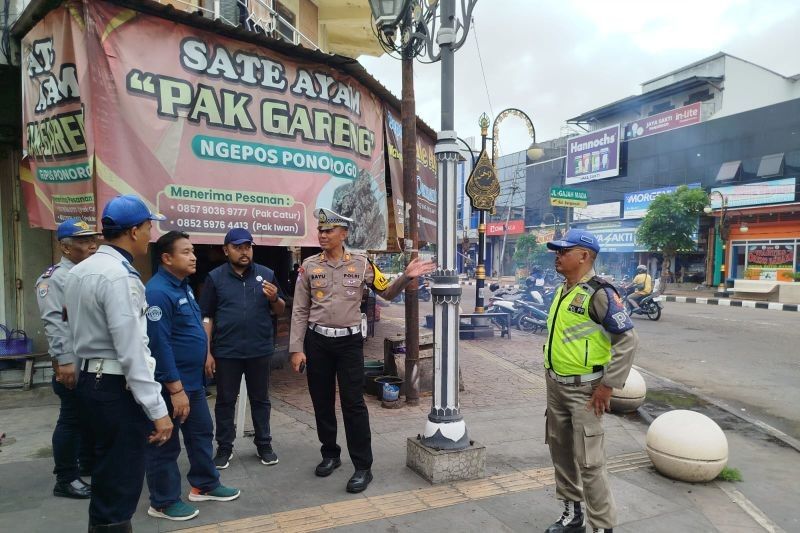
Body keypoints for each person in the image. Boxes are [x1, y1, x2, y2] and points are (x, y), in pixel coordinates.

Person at [289, 208, 435, 493]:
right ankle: (330, 454)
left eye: (328, 230)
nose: (322, 235)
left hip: (348, 344)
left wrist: (405, 276)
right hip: (317, 342)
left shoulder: (361, 264)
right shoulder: (308, 266)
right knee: (321, 401)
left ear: (343, 234)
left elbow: (388, 293)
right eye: (320, 230)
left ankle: (362, 467)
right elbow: (299, 310)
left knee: (353, 404)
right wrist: (296, 348)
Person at [64, 195, 174, 532]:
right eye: (148, 227)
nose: (150, 235)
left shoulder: (81, 270)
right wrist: (158, 411)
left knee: (104, 478)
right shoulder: (119, 277)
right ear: (133, 231)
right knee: (120, 486)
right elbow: (132, 350)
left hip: (90, 382)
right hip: (114, 389)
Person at [542, 229, 638, 533]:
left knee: (590, 461)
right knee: (560, 452)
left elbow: (627, 341)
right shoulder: (563, 290)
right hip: (556, 386)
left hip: (586, 391)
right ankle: (573, 515)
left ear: (584, 256)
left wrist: (608, 385)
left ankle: (601, 527)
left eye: (563, 251)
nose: (557, 256)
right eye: (557, 251)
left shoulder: (600, 293)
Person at [144, 231, 240, 521]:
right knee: (166, 442)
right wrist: (175, 388)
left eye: (193, 251)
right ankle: (162, 502)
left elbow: (192, 331)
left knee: (200, 433)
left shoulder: (182, 285)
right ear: (166, 258)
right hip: (173, 384)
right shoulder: (158, 291)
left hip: (193, 381)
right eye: (185, 251)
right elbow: (159, 345)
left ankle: (204, 484)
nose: (193, 256)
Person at [200, 227, 286, 469]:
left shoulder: (266, 274)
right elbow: (207, 317)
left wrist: (274, 298)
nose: (244, 252)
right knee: (225, 400)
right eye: (238, 247)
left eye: (247, 246)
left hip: (259, 349)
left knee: (261, 400)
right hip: (227, 351)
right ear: (226, 250)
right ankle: (224, 448)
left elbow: (280, 309)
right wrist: (206, 352)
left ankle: (264, 445)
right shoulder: (215, 278)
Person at [35, 218, 100, 500]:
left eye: (93, 240)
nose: (93, 245)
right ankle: (65, 477)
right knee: (71, 419)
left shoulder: (86, 272)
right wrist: (63, 362)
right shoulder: (54, 278)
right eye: (85, 241)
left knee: (87, 416)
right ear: (64, 246)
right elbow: (54, 323)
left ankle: (86, 463)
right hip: (70, 362)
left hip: (89, 361)